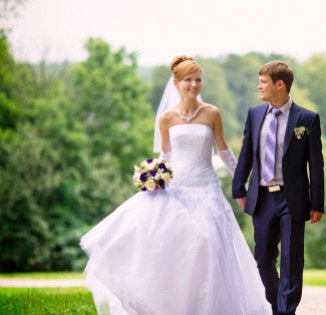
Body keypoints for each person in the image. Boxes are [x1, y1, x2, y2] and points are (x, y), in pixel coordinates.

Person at [80, 55, 272, 315]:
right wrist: (153, 175)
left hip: (207, 189)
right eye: (188, 80)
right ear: (176, 83)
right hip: (178, 190)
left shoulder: (212, 113)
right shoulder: (167, 118)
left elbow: (225, 152)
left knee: (210, 246)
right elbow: (166, 157)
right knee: (181, 251)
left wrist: (244, 184)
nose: (194, 85)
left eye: (198, 80)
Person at [232, 60, 325, 315]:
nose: (258, 86)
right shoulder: (254, 114)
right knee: (262, 259)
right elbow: (247, 154)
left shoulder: (307, 119)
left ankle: (286, 312)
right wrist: (239, 186)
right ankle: (277, 305)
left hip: (292, 199)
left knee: (291, 260)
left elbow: (316, 165)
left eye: (263, 82)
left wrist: (317, 202)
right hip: (262, 198)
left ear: (279, 85)